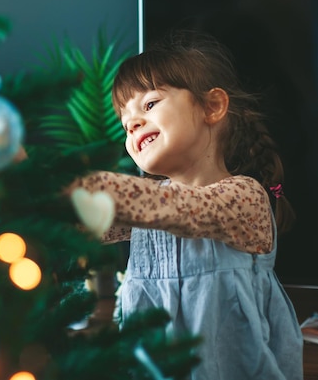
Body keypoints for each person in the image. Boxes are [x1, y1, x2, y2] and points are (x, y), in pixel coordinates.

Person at [68, 30, 303, 380]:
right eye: (125, 123)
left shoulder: (244, 198)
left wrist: (75, 187)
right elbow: (77, 222)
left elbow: (174, 207)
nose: (131, 124)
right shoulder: (142, 211)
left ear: (212, 106)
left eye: (149, 105)